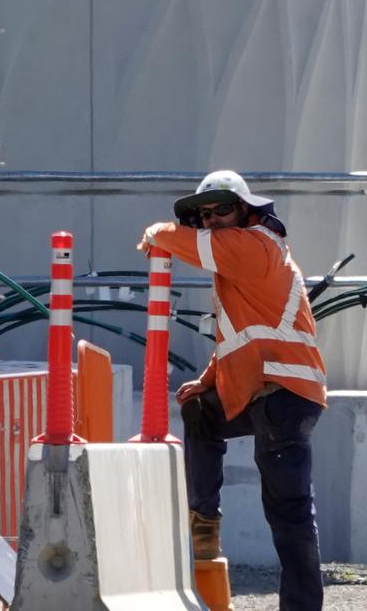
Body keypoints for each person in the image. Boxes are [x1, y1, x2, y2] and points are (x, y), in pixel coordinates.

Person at [138, 170, 326, 611]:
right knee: (200, 411)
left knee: (290, 514)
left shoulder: (256, 245)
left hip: (285, 394)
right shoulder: (236, 263)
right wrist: (206, 381)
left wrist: (156, 232)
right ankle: (204, 521)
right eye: (204, 215)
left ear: (245, 211)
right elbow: (240, 339)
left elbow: (184, 241)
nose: (212, 220)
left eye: (222, 210)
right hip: (264, 391)